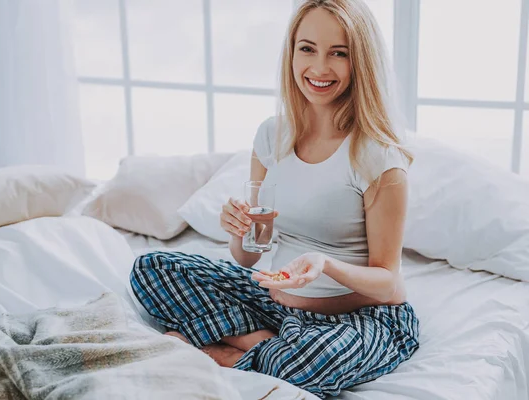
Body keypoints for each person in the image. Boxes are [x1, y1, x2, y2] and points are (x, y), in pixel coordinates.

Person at [130, 0, 419, 397]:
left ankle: (226, 352)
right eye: (307, 48)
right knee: (153, 267)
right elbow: (250, 255)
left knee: (314, 361)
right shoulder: (272, 136)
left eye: (339, 53)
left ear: (361, 62)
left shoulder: (378, 157)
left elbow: (388, 284)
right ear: (292, 52)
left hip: (359, 316)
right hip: (274, 298)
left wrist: (326, 265)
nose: (319, 68)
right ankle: (262, 344)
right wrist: (240, 230)